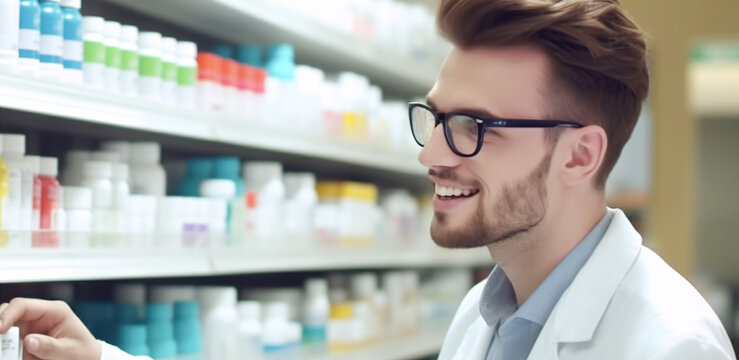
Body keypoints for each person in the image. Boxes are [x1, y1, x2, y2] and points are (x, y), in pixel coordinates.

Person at [0, 0, 735, 359]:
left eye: (472, 127)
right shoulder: (488, 311)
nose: (431, 157)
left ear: (579, 155)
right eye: (435, 118)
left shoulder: (669, 345)